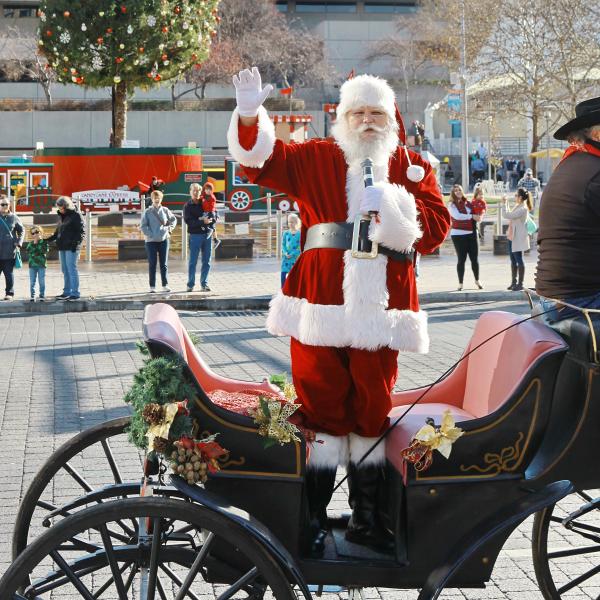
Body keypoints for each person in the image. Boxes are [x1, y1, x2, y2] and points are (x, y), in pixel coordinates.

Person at [228, 67, 450, 553]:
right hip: (319, 306)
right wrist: (249, 114)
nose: (367, 122)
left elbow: (435, 231)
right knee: (321, 409)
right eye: (358, 113)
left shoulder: (413, 167)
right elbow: (262, 163)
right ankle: (306, 519)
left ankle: (369, 521)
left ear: (392, 118)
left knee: (371, 409)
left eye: (376, 113)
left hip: (381, 311)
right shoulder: (317, 158)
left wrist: (395, 205)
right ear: (342, 118)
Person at [535, 96, 600, 322]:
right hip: (583, 300)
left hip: (554, 297)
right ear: (597, 134)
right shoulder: (595, 173)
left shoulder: (573, 164)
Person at [46, 196, 84, 300]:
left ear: (66, 206)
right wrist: (46, 240)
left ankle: (75, 293)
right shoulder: (61, 216)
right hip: (62, 246)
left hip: (71, 247)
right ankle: (66, 292)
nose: (59, 210)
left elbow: (81, 232)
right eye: (58, 208)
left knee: (71, 269)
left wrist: (75, 245)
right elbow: (57, 232)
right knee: (65, 270)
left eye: (61, 208)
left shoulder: (76, 215)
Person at [140, 190, 176, 293]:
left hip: (164, 240)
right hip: (151, 242)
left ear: (161, 199)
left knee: (163, 264)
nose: (157, 200)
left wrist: (169, 229)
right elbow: (143, 226)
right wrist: (151, 234)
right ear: (152, 199)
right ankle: (152, 286)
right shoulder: (147, 211)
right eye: (155, 198)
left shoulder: (165, 210)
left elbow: (173, 220)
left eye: (158, 198)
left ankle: (165, 285)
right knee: (152, 264)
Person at [184, 182, 217, 292]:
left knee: (206, 261)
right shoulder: (187, 206)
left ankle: (204, 284)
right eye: (194, 190)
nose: (196, 192)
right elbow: (189, 221)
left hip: (207, 235)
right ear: (190, 192)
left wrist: (213, 219)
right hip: (195, 236)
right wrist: (203, 222)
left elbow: (214, 212)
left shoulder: (206, 200)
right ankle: (190, 284)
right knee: (193, 261)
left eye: (198, 190)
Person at [448, 184, 483, 291]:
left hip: (471, 233)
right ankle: (460, 283)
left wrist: (480, 216)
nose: (458, 192)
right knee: (461, 259)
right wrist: (471, 216)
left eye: (459, 190)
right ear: (453, 193)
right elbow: (457, 216)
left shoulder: (468, 203)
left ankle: (477, 280)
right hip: (458, 235)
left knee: (474, 259)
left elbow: (477, 214)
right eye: (455, 191)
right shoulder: (451, 205)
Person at [502, 188, 532, 291]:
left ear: (520, 197)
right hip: (512, 236)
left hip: (518, 237)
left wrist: (504, 203)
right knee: (513, 260)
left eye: (516, 195)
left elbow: (507, 215)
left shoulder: (523, 208)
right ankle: (513, 282)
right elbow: (510, 215)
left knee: (518, 259)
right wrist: (506, 204)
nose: (514, 197)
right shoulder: (519, 206)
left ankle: (520, 283)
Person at [0, 195, 24, 301]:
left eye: (6, 204)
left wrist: (19, 242)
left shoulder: (14, 217)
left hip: (9, 250)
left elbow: (22, 230)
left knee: (8, 274)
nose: (5, 206)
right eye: (2, 204)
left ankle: (9, 293)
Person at [25, 225, 49, 302]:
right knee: (32, 281)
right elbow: (29, 252)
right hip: (32, 265)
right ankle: (32, 296)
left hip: (41, 265)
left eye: (36, 232)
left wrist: (35, 247)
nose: (35, 234)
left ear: (40, 232)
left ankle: (42, 295)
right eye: (33, 233)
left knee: (41, 281)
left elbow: (44, 251)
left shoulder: (44, 242)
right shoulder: (31, 243)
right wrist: (35, 245)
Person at [281, 213, 301, 287]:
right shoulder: (285, 233)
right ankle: (283, 288)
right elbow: (283, 244)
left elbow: (300, 247)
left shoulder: (300, 234)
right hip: (286, 257)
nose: (290, 223)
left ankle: (294, 288)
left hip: (295, 257)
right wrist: (285, 253)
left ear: (296, 222)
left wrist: (292, 254)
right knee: (283, 273)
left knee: (294, 274)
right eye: (289, 222)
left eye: (292, 222)